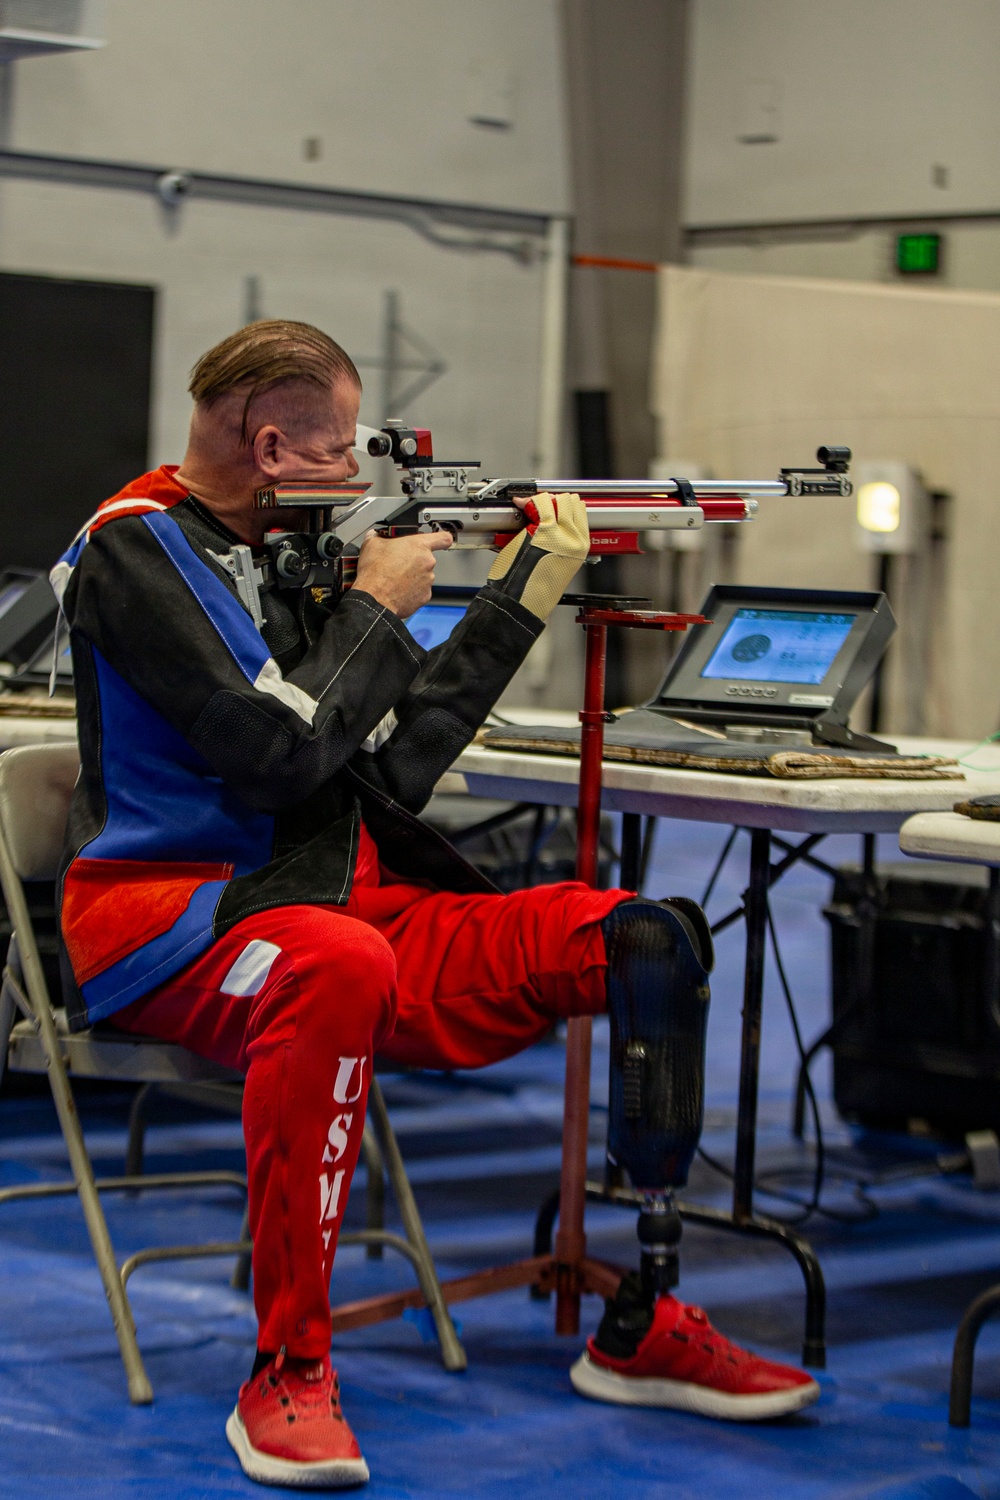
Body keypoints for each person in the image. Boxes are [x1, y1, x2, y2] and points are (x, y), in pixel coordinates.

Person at [53, 321, 818, 1490]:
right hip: (178, 923)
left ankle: (644, 1313)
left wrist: (516, 600)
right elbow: (273, 757)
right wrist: (373, 606)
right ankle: (287, 1370)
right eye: (346, 455)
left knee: (643, 938)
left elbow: (384, 775)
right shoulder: (138, 550)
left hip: (341, 901)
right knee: (337, 962)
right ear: (270, 444)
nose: (362, 482)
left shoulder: (292, 551)